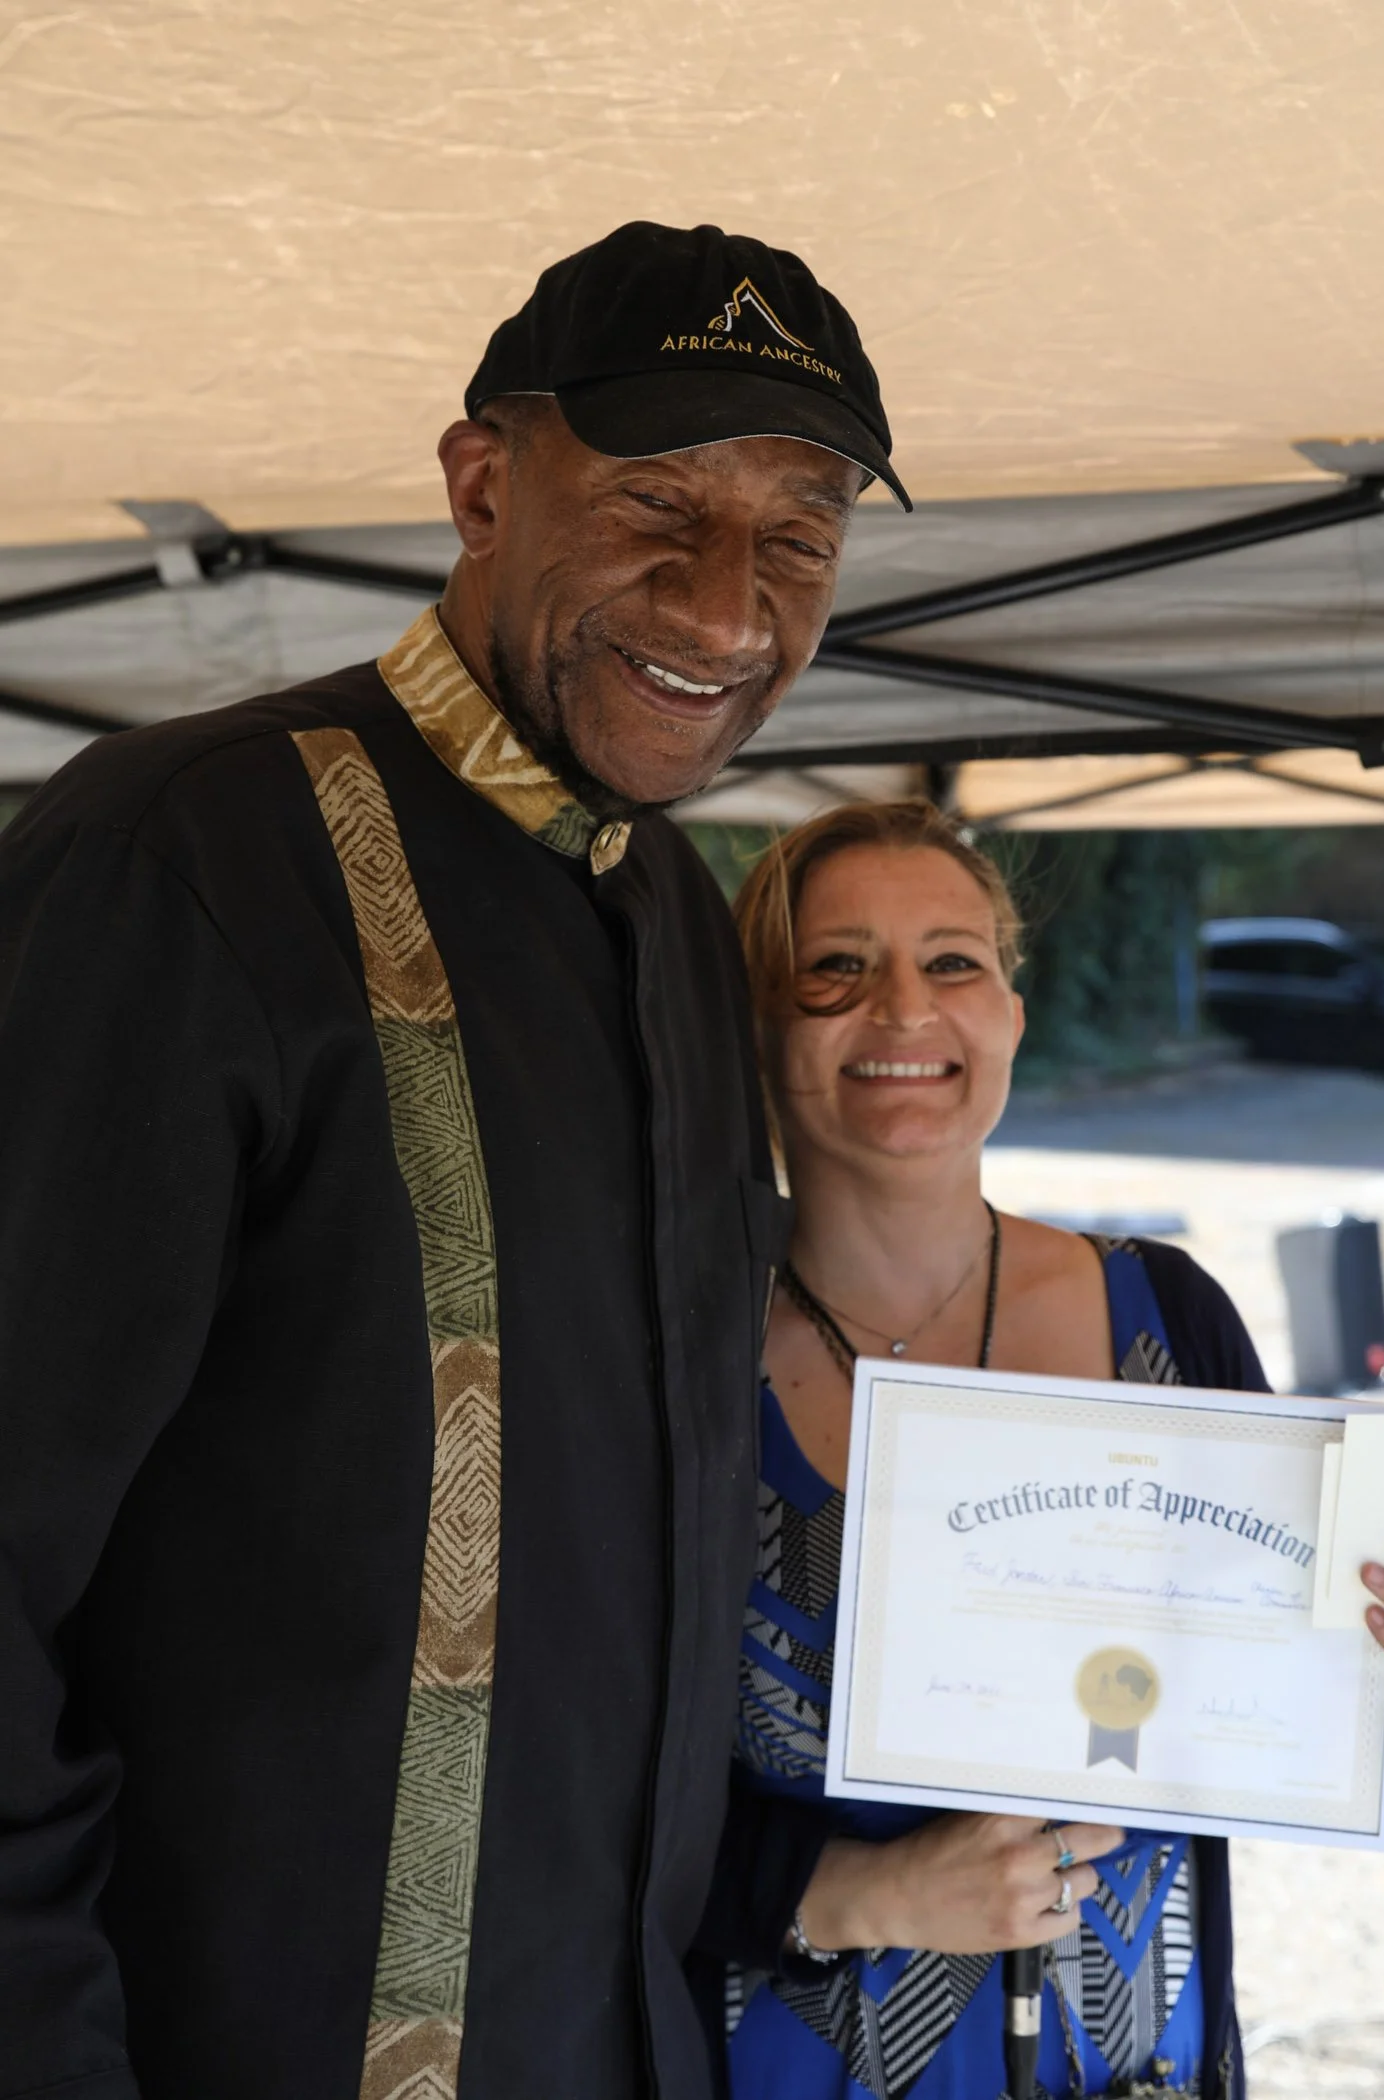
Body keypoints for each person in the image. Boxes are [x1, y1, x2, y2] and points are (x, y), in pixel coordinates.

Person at [0, 222, 911, 2098]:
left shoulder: (667, 911)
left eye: (799, 537)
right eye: (659, 501)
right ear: (483, 483)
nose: (730, 604)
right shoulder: (185, 862)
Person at [720, 799, 1384, 2100]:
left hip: (1132, 2061)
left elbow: (1274, 1686)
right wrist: (868, 1889)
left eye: (952, 961)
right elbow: (567, 1784)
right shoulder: (673, 1365)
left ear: (1012, 1013)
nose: (904, 1010)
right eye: (836, 968)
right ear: (757, 1025)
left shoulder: (1171, 1320)